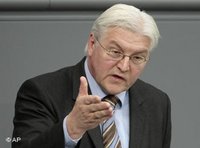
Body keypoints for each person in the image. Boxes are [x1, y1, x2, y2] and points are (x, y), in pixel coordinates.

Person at [12, 3, 171, 148]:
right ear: (92, 44)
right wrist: (71, 128)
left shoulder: (157, 103)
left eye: (137, 57)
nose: (124, 67)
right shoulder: (41, 92)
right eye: (115, 52)